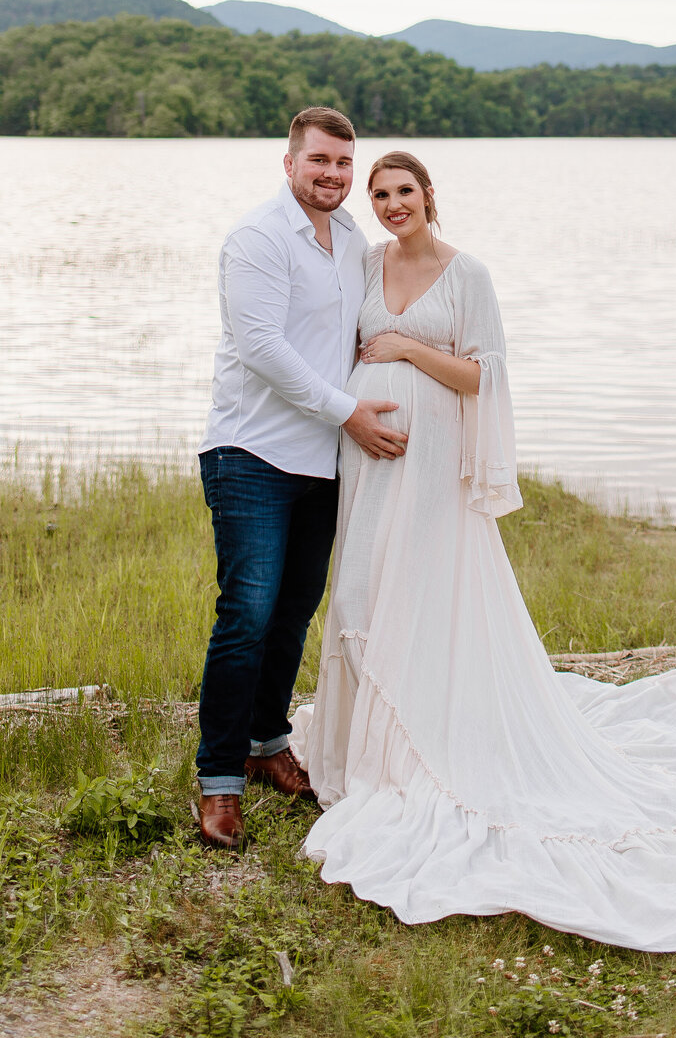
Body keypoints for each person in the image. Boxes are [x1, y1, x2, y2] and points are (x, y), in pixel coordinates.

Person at [291, 150, 676, 950]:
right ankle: (357, 745)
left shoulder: (468, 274)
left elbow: (484, 376)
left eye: (405, 192)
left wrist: (405, 352)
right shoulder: (366, 262)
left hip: (431, 472)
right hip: (371, 465)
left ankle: (422, 748)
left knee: (424, 596)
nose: (393, 205)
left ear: (430, 197)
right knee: (362, 592)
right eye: (381, 194)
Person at [194, 107, 408, 851]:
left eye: (344, 165)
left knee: (293, 613)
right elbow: (261, 347)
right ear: (290, 164)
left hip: (323, 459)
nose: (334, 176)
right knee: (246, 615)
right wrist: (349, 410)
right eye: (320, 161)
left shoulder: (350, 238)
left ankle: (266, 744)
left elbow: (354, 329)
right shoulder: (256, 239)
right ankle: (218, 783)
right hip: (251, 453)